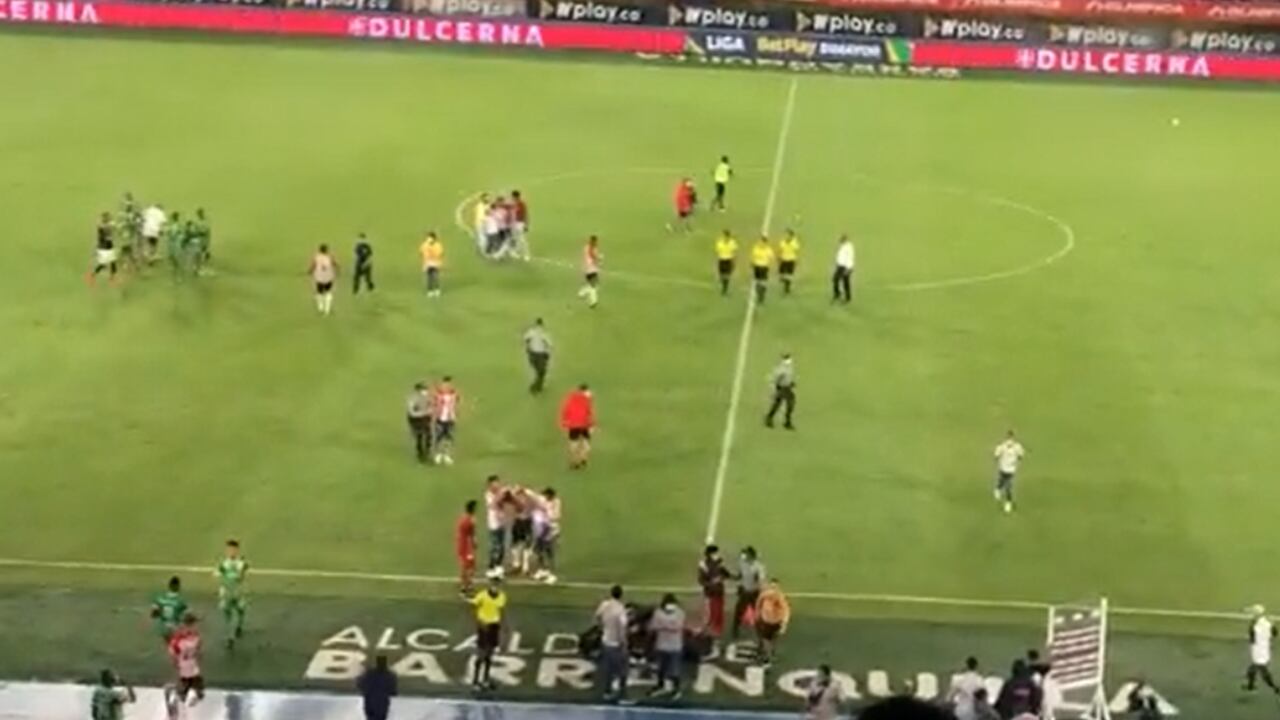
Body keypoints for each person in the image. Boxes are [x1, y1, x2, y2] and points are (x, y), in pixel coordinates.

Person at [468, 577, 507, 691]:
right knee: (481, 654)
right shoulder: (482, 595)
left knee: (490, 654)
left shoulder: (502, 597)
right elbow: (474, 605)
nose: (495, 587)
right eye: (493, 585)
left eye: (497, 585)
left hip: (494, 626)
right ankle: (475, 681)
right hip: (484, 626)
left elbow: (500, 611)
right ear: (490, 585)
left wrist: (501, 625)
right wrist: (479, 621)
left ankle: (485, 680)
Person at [596, 584, 629, 703]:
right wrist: (624, 643)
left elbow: (598, 616)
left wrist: (602, 627)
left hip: (606, 641)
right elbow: (622, 628)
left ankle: (607, 691)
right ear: (621, 595)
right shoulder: (620, 610)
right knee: (622, 669)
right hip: (616, 644)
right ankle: (621, 692)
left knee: (608, 668)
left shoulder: (604, 605)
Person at [648, 593, 686, 699]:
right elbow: (653, 626)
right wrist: (669, 626)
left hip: (674, 646)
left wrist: (663, 626)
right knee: (661, 669)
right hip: (662, 646)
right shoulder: (658, 612)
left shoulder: (679, 613)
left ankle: (676, 689)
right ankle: (660, 685)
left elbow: (678, 626)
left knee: (674, 670)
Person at [215, 539, 249, 649]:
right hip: (226, 593)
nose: (231, 552)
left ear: (237, 550)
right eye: (229, 549)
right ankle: (230, 637)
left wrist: (239, 572)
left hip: (238, 592)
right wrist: (223, 586)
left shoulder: (241, 563)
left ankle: (239, 626)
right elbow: (217, 576)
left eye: (233, 549)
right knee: (228, 616)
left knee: (241, 610)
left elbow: (241, 577)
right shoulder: (223, 564)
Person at [168, 613, 204, 706]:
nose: (196, 626)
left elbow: (198, 648)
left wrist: (198, 653)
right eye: (194, 624)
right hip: (185, 667)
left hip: (193, 666)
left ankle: (181, 694)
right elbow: (173, 652)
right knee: (186, 692)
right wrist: (176, 663)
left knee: (199, 692)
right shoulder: (179, 638)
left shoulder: (195, 636)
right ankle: (174, 695)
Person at [698, 544, 731, 642]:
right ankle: (708, 632)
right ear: (709, 554)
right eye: (715, 553)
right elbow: (701, 581)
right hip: (710, 593)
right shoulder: (703, 565)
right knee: (710, 613)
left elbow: (726, 574)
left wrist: (735, 577)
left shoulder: (719, 562)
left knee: (719, 613)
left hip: (719, 592)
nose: (717, 554)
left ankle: (717, 632)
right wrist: (712, 583)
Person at [754, 578, 790, 667]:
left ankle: (769, 656)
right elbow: (758, 604)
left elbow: (786, 610)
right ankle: (768, 655)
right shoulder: (764, 595)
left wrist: (784, 624)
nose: (773, 590)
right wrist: (758, 615)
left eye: (775, 587)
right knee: (766, 640)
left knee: (771, 640)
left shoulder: (780, 597)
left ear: (778, 588)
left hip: (775, 621)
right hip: (766, 621)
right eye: (772, 587)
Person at [732, 546, 766, 639]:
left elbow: (761, 580)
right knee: (738, 611)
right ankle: (735, 631)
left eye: (747, 554)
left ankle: (761, 634)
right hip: (745, 592)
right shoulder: (742, 564)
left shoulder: (758, 566)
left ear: (751, 555)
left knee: (757, 614)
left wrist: (759, 584)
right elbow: (739, 576)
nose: (745, 556)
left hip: (754, 593)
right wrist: (729, 576)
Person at [560, 383, 595, 469]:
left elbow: (566, 410)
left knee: (573, 443)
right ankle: (583, 458)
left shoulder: (571, 397)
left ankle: (574, 461)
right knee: (586, 442)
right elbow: (589, 412)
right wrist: (592, 425)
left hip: (573, 425)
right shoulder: (588, 398)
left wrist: (564, 423)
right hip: (584, 424)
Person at [1245, 604, 1279, 692]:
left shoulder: (1255, 625)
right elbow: (1275, 633)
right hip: (1265, 647)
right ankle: (1250, 686)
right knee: (1252, 670)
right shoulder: (1268, 623)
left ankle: (1275, 687)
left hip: (1258, 650)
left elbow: (1252, 638)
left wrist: (1252, 625)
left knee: (1262, 670)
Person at [531, 487, 560, 584]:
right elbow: (533, 495)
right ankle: (542, 570)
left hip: (550, 530)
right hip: (541, 530)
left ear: (551, 496)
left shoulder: (556, 503)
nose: (545, 497)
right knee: (539, 551)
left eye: (546, 496)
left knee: (549, 552)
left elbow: (555, 517)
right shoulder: (542, 499)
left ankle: (552, 574)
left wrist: (546, 510)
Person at [993, 430, 1025, 514]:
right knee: (1001, 481)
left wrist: (1015, 461)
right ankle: (998, 489)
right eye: (1008, 437)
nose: (1010, 440)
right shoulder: (1002, 446)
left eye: (1011, 438)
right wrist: (999, 459)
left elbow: (1021, 455)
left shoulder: (1017, 447)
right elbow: (996, 455)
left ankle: (1008, 503)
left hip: (1011, 470)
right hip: (1003, 468)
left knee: (1008, 487)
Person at [357, 655, 398, 720]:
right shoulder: (389, 675)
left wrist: (363, 691)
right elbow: (393, 690)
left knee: (371, 717)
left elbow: (360, 683)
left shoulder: (369, 673)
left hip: (371, 703)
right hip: (382, 704)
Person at [151, 576, 189, 642]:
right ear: (178, 586)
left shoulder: (160, 598)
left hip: (163, 627)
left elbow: (153, 614)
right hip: (175, 627)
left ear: (169, 586)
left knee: (169, 644)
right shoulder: (181, 601)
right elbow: (188, 617)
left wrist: (160, 613)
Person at [764, 354, 797, 430]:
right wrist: (775, 389)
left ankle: (786, 422)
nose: (789, 361)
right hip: (782, 388)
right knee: (779, 404)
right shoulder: (781, 369)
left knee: (789, 405)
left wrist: (791, 383)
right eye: (787, 359)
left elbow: (788, 377)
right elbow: (776, 379)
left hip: (787, 388)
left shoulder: (789, 368)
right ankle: (770, 419)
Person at [432, 377, 460, 465]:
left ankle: (447, 455)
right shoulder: (438, 394)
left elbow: (456, 403)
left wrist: (455, 414)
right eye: (445, 384)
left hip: (450, 418)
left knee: (448, 438)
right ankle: (438, 454)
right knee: (439, 437)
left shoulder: (454, 394)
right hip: (440, 418)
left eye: (448, 384)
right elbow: (434, 404)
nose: (446, 386)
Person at [484, 476, 507, 579]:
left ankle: (499, 566)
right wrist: (502, 494)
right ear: (490, 485)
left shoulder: (500, 492)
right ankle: (491, 567)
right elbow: (494, 504)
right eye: (495, 484)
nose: (497, 485)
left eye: (498, 483)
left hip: (501, 523)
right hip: (493, 524)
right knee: (494, 547)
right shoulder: (488, 495)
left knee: (501, 546)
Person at [87, 212, 119, 286]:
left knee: (113, 263)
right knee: (103, 264)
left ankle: (112, 278)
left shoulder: (106, 225)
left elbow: (111, 227)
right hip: (104, 248)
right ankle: (92, 275)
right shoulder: (102, 228)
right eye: (108, 218)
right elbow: (106, 230)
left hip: (110, 247)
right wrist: (112, 228)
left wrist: (113, 227)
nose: (109, 219)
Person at [404, 382, 433, 463]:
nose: (426, 391)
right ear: (418, 390)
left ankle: (427, 452)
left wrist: (430, 410)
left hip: (425, 419)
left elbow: (430, 406)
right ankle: (420, 453)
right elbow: (411, 412)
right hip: (416, 420)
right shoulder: (412, 399)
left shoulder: (427, 398)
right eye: (424, 389)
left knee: (429, 435)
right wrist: (424, 413)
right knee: (419, 436)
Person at [523, 318, 553, 394]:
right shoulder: (541, 334)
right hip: (538, 355)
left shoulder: (532, 332)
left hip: (536, 355)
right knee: (541, 372)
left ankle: (538, 387)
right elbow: (550, 344)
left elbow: (526, 339)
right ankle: (535, 387)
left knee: (540, 372)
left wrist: (528, 347)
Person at [309, 244, 338, 316]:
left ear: (319, 250)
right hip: (328, 277)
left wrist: (310, 271)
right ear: (326, 250)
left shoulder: (316, 257)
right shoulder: (330, 257)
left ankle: (320, 307)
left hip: (319, 278)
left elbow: (313, 266)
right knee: (328, 292)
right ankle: (327, 309)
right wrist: (338, 269)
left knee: (319, 292)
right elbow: (335, 264)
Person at [455, 500, 478, 593]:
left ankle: (464, 585)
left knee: (464, 565)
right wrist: (474, 543)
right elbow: (472, 534)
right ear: (472, 509)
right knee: (470, 566)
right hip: (466, 546)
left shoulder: (461, 518)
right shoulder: (471, 520)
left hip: (460, 544)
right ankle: (467, 585)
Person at [577, 235, 602, 308]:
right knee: (593, 285)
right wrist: (599, 258)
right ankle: (593, 301)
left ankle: (582, 292)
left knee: (593, 284)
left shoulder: (590, 247)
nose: (597, 243)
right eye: (595, 241)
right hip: (590, 269)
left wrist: (598, 259)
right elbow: (592, 254)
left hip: (591, 268)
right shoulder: (590, 248)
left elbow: (593, 255)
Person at [750, 235, 774, 305]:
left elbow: (771, 258)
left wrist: (768, 265)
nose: (760, 243)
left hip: (764, 267)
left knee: (763, 282)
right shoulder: (756, 248)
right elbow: (753, 256)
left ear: (765, 243)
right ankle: (758, 293)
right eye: (760, 241)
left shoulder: (768, 250)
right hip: (757, 266)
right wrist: (752, 263)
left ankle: (762, 296)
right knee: (757, 281)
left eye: (762, 242)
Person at [714, 229, 738, 296]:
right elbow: (717, 252)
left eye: (726, 236)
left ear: (728, 236)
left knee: (727, 275)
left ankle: (725, 289)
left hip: (728, 260)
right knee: (721, 274)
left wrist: (734, 262)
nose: (725, 237)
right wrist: (716, 261)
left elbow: (734, 252)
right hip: (721, 259)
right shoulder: (720, 242)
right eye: (724, 236)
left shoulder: (732, 243)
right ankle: (723, 284)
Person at [420, 231, 444, 298]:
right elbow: (421, 252)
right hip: (427, 263)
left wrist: (433, 255)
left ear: (434, 238)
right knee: (429, 278)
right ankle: (430, 290)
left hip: (435, 263)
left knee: (435, 277)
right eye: (428, 237)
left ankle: (437, 289)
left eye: (430, 237)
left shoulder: (438, 245)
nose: (429, 239)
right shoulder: (424, 245)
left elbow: (440, 254)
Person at [832, 234, 854, 304]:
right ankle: (837, 294)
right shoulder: (842, 246)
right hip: (840, 266)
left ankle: (848, 298)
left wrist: (848, 269)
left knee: (846, 282)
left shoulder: (849, 247)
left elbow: (850, 258)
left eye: (841, 240)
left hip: (846, 267)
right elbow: (840, 256)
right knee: (835, 279)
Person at [777, 228, 800, 295]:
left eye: (788, 235)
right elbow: (780, 249)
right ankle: (784, 279)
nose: (786, 236)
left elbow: (796, 250)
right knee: (781, 273)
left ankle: (787, 287)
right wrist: (779, 256)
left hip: (791, 260)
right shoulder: (783, 242)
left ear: (791, 236)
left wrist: (796, 259)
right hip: (783, 259)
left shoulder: (794, 243)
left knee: (789, 275)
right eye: (786, 235)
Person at [164, 211, 186, 277]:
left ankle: (178, 272)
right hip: (173, 242)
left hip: (175, 243)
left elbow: (174, 234)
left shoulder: (176, 225)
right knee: (172, 257)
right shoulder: (175, 225)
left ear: (173, 218)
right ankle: (175, 269)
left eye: (171, 217)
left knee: (176, 257)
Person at [189, 208, 212, 273]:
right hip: (199, 239)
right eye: (199, 213)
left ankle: (201, 265)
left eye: (201, 213)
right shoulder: (197, 221)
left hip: (205, 238)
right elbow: (195, 229)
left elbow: (207, 230)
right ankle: (198, 267)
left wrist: (200, 232)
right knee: (199, 252)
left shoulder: (207, 220)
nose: (200, 214)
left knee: (204, 251)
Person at [510, 190, 530, 260]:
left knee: (522, 239)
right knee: (514, 238)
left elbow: (525, 214)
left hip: (520, 223)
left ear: (515, 197)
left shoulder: (522, 204)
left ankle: (526, 254)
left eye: (513, 197)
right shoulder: (512, 203)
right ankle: (515, 252)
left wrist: (526, 224)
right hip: (513, 223)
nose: (512, 198)